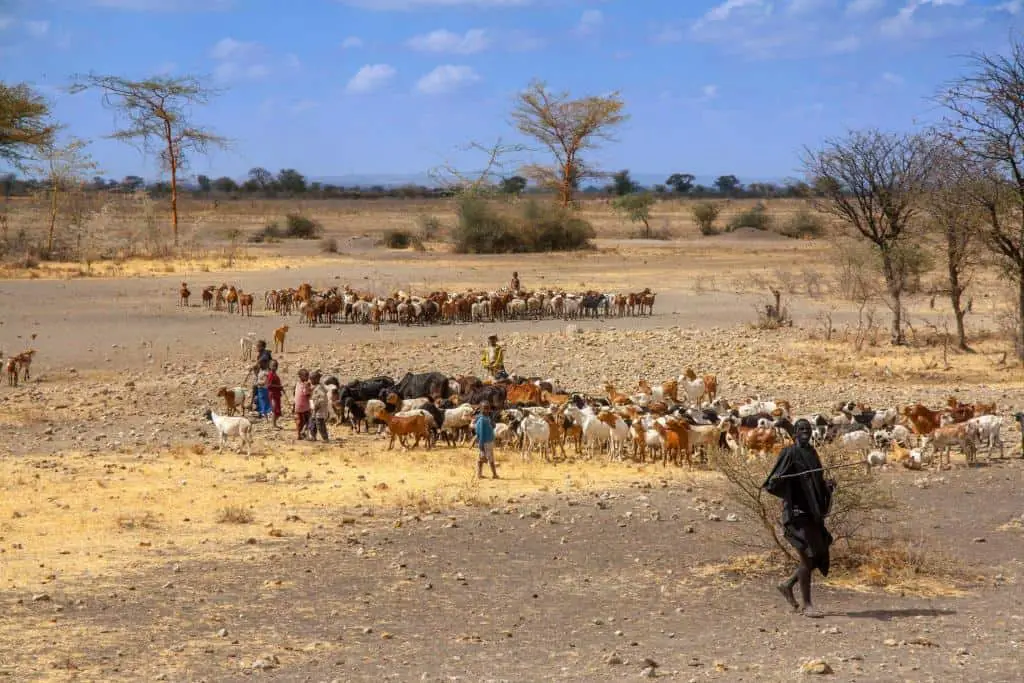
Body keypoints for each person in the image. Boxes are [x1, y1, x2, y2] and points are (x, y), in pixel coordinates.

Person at [762, 419, 835, 618]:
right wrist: (785, 480)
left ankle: (787, 585)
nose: (805, 433)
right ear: (795, 432)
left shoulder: (812, 453)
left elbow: (816, 481)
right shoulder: (789, 453)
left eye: (808, 430)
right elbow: (772, 483)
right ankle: (808, 605)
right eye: (801, 429)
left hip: (812, 513)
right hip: (795, 514)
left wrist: (827, 486)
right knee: (807, 557)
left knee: (815, 556)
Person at [474, 403, 498, 479]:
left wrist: (492, 422)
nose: (486, 410)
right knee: (489, 459)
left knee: (482, 458)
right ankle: (494, 474)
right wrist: (481, 444)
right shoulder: (482, 419)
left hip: (489, 442)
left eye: (488, 408)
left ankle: (479, 474)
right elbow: (481, 432)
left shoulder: (487, 418)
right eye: (484, 408)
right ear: (480, 409)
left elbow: (493, 426)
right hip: (485, 442)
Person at [309, 371, 330, 442]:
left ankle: (325, 438)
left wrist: (317, 406)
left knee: (320, 424)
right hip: (314, 408)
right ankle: (313, 436)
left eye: (311, 379)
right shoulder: (315, 387)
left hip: (319, 409)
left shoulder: (320, 388)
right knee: (312, 423)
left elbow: (322, 398)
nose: (310, 380)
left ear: (316, 379)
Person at [294, 369, 312, 440]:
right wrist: (311, 392)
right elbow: (306, 393)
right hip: (305, 406)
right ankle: (305, 432)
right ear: (301, 376)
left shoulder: (297, 384)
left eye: (308, 375)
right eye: (306, 376)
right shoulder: (306, 384)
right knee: (309, 419)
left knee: (299, 421)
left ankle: (298, 435)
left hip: (297, 406)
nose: (307, 377)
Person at [266, 360, 283, 429]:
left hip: (277, 394)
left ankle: (275, 424)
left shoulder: (275, 375)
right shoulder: (270, 375)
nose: (275, 367)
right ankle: (273, 425)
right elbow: (268, 385)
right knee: (275, 409)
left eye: (276, 366)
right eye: (273, 365)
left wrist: (280, 388)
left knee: (278, 410)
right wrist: (278, 387)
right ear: (270, 366)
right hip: (272, 395)